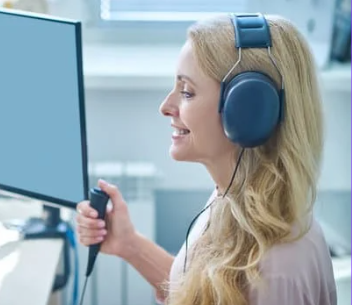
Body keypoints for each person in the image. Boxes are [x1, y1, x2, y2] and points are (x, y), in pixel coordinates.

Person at [75, 13, 337, 305]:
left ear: (246, 110)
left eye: (187, 92)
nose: (165, 107)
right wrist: (130, 245)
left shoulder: (276, 269)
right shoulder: (234, 198)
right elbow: (203, 293)